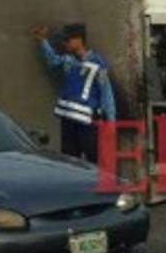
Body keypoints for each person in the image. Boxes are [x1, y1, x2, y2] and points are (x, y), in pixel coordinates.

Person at [30, 23, 116, 163]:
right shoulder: (68, 60)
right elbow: (53, 61)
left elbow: (106, 93)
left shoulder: (97, 64)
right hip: (68, 120)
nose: (65, 43)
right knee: (69, 160)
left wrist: (110, 122)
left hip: (87, 122)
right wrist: (42, 41)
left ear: (79, 40)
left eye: (68, 40)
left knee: (93, 159)